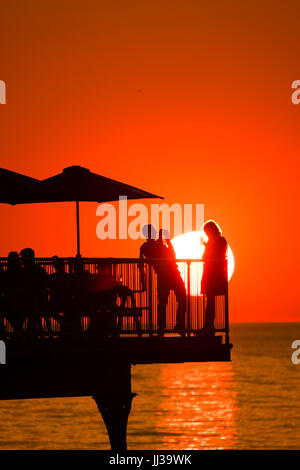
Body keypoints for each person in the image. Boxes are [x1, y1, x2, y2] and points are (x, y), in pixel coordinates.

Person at [140, 225, 186, 337]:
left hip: (170, 274)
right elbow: (168, 255)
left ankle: (167, 326)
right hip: (168, 274)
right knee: (169, 300)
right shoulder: (149, 246)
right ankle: (171, 325)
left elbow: (171, 256)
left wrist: (167, 241)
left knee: (169, 300)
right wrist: (166, 241)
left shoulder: (151, 246)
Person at [201, 221, 228, 335]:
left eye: (207, 232)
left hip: (214, 275)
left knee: (210, 302)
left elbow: (210, 255)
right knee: (210, 302)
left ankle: (208, 327)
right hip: (211, 274)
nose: (207, 234)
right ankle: (208, 326)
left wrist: (206, 246)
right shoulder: (217, 241)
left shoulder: (219, 241)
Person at [20, 248, 49, 335]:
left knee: (30, 310)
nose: (21, 260)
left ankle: (26, 332)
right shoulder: (39, 269)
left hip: (33, 301)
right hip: (38, 301)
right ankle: (31, 331)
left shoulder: (24, 272)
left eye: (22, 257)